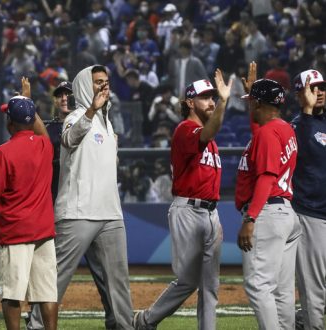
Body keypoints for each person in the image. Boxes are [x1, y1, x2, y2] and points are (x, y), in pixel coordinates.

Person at [30, 65, 134, 329]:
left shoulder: (108, 124)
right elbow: (69, 138)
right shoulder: (75, 116)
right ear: (85, 87)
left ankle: (122, 326)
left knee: (117, 282)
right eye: (97, 81)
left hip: (110, 213)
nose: (104, 85)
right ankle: (37, 325)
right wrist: (91, 109)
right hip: (77, 213)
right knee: (56, 278)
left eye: (106, 81)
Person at [134, 72, 232, 330]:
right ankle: (146, 320)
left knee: (211, 286)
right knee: (188, 280)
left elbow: (210, 133)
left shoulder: (207, 137)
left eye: (213, 97)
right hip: (188, 210)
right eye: (205, 98)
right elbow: (209, 132)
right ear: (190, 102)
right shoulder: (185, 130)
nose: (211, 102)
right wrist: (224, 102)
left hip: (211, 212)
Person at [0, 95, 58, 330]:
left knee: (12, 294)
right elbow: (41, 132)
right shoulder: (45, 145)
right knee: (46, 293)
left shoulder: (2, 152)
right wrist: (29, 102)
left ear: (10, 123)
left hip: (14, 231)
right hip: (44, 231)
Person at [235, 77, 301, 330]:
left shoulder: (266, 133)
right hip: (286, 213)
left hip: (267, 212)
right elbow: (263, 134)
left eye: (251, 101)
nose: (248, 105)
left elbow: (266, 177)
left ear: (259, 103)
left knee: (258, 285)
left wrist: (251, 217)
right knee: (282, 290)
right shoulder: (284, 129)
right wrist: (252, 92)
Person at [291, 70, 326, 330]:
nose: (320, 91)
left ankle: (297, 321)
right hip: (310, 213)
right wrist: (306, 111)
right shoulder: (296, 126)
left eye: (322, 86)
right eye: (313, 87)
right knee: (314, 287)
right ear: (300, 94)